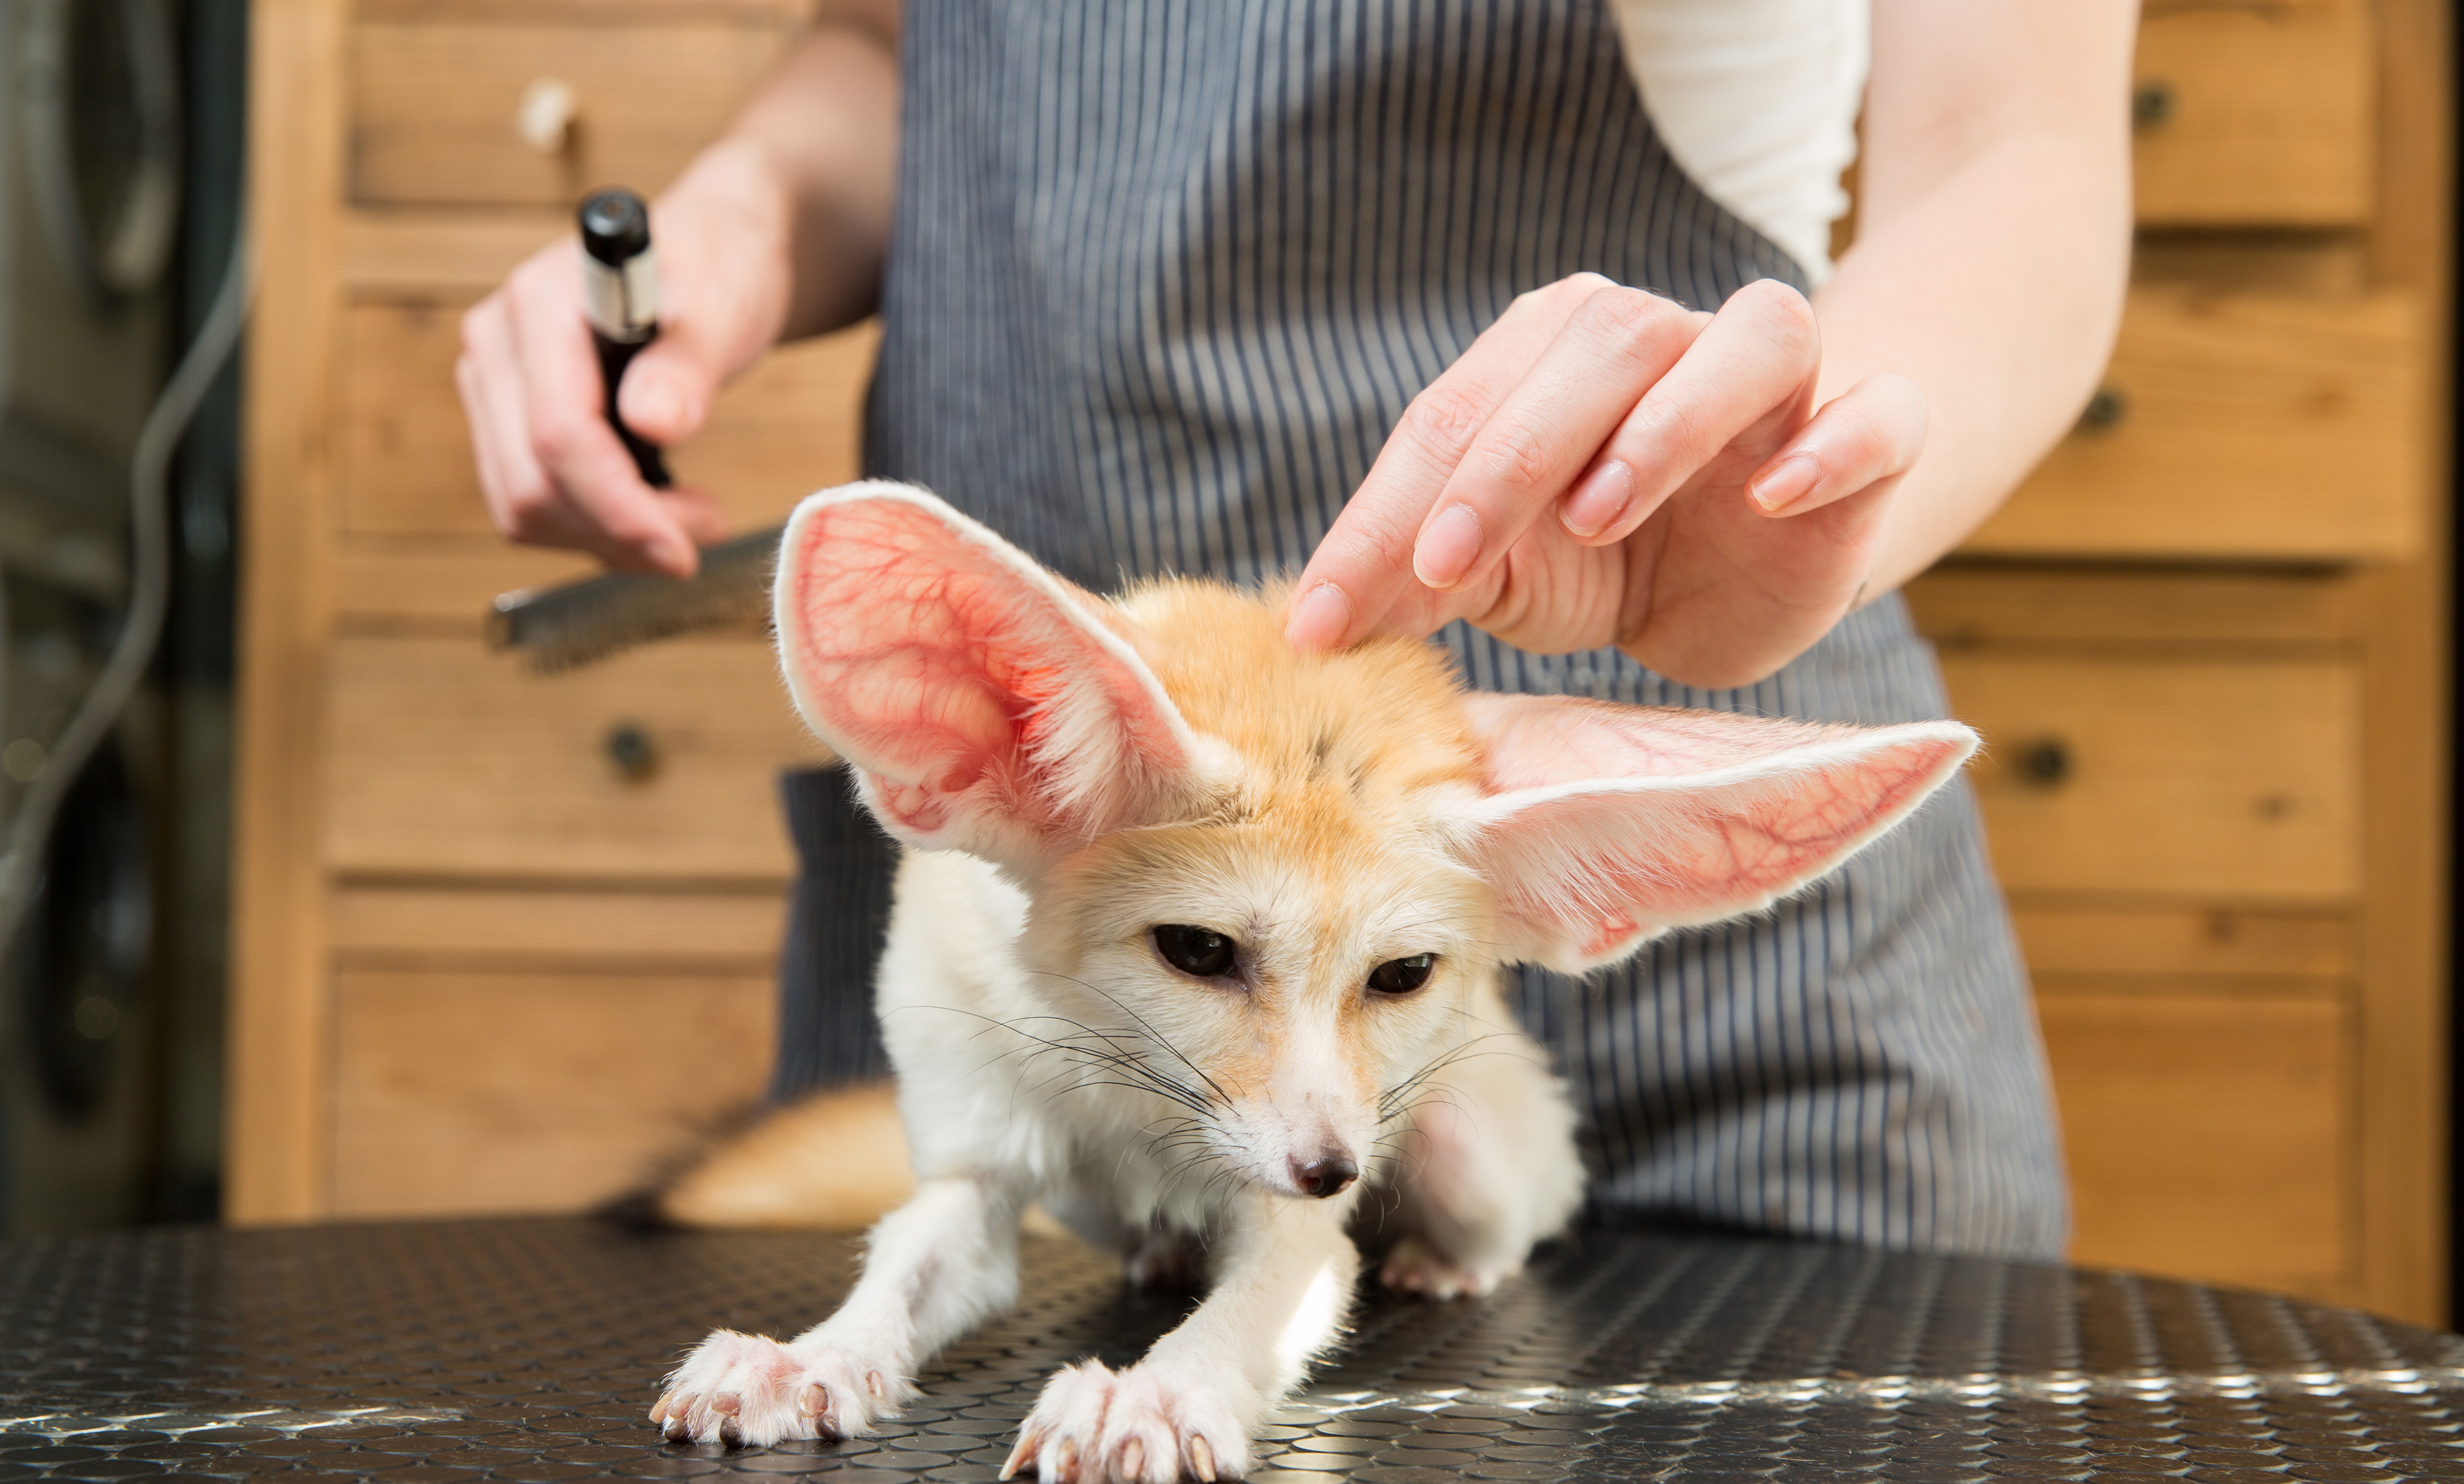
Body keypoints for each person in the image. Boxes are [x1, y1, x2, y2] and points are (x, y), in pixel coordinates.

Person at [458, 0, 2139, 1257]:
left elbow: (2015, 145)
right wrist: (741, 218)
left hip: (1701, 1032)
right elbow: (893, 43)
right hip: (1054, 961)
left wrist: (1815, 484)